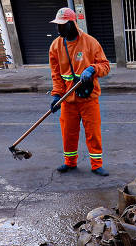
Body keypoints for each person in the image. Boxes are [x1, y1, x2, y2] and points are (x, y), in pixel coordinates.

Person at [48, 7, 110, 177]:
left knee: (93, 133)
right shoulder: (55, 47)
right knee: (68, 133)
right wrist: (56, 96)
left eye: (62, 25)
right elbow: (56, 75)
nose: (58, 28)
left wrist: (92, 69)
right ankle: (70, 162)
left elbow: (105, 66)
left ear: (72, 24)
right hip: (68, 100)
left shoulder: (90, 42)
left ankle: (96, 164)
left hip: (88, 98)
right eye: (57, 25)